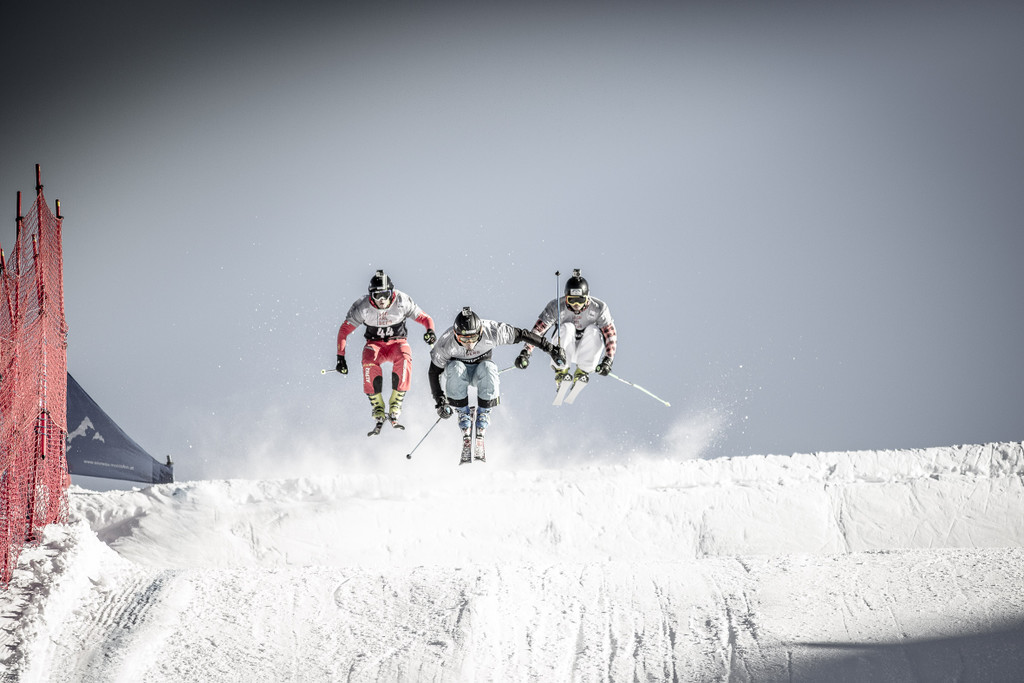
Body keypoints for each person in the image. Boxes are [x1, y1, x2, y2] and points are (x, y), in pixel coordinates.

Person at [429, 306, 565, 462]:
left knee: (488, 367)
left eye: (473, 338)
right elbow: (434, 372)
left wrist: (551, 349)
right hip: (459, 374)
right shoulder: (446, 343)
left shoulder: (492, 331)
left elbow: (523, 334)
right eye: (464, 339)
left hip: (481, 373)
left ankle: (483, 416)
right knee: (455, 367)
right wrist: (440, 401)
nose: (469, 344)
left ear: (480, 332)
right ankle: (463, 413)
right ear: (456, 335)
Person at [336, 270, 436, 426]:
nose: (382, 300)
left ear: (392, 292)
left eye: (385, 294)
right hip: (375, 344)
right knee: (368, 360)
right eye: (377, 295)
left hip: (397, 343)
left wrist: (430, 331)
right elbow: (344, 330)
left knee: (404, 357)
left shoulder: (402, 300)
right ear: (370, 295)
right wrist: (340, 357)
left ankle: (396, 401)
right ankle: (377, 405)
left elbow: (425, 318)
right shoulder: (363, 307)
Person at [515, 268, 616, 390]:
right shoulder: (556, 306)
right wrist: (526, 352)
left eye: (580, 300)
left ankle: (583, 371)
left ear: (587, 297)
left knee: (594, 330)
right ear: (566, 297)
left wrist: (608, 359)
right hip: (563, 350)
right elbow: (538, 331)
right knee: (568, 327)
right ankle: (561, 371)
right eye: (572, 300)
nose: (576, 305)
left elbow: (610, 335)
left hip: (586, 349)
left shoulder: (599, 308)